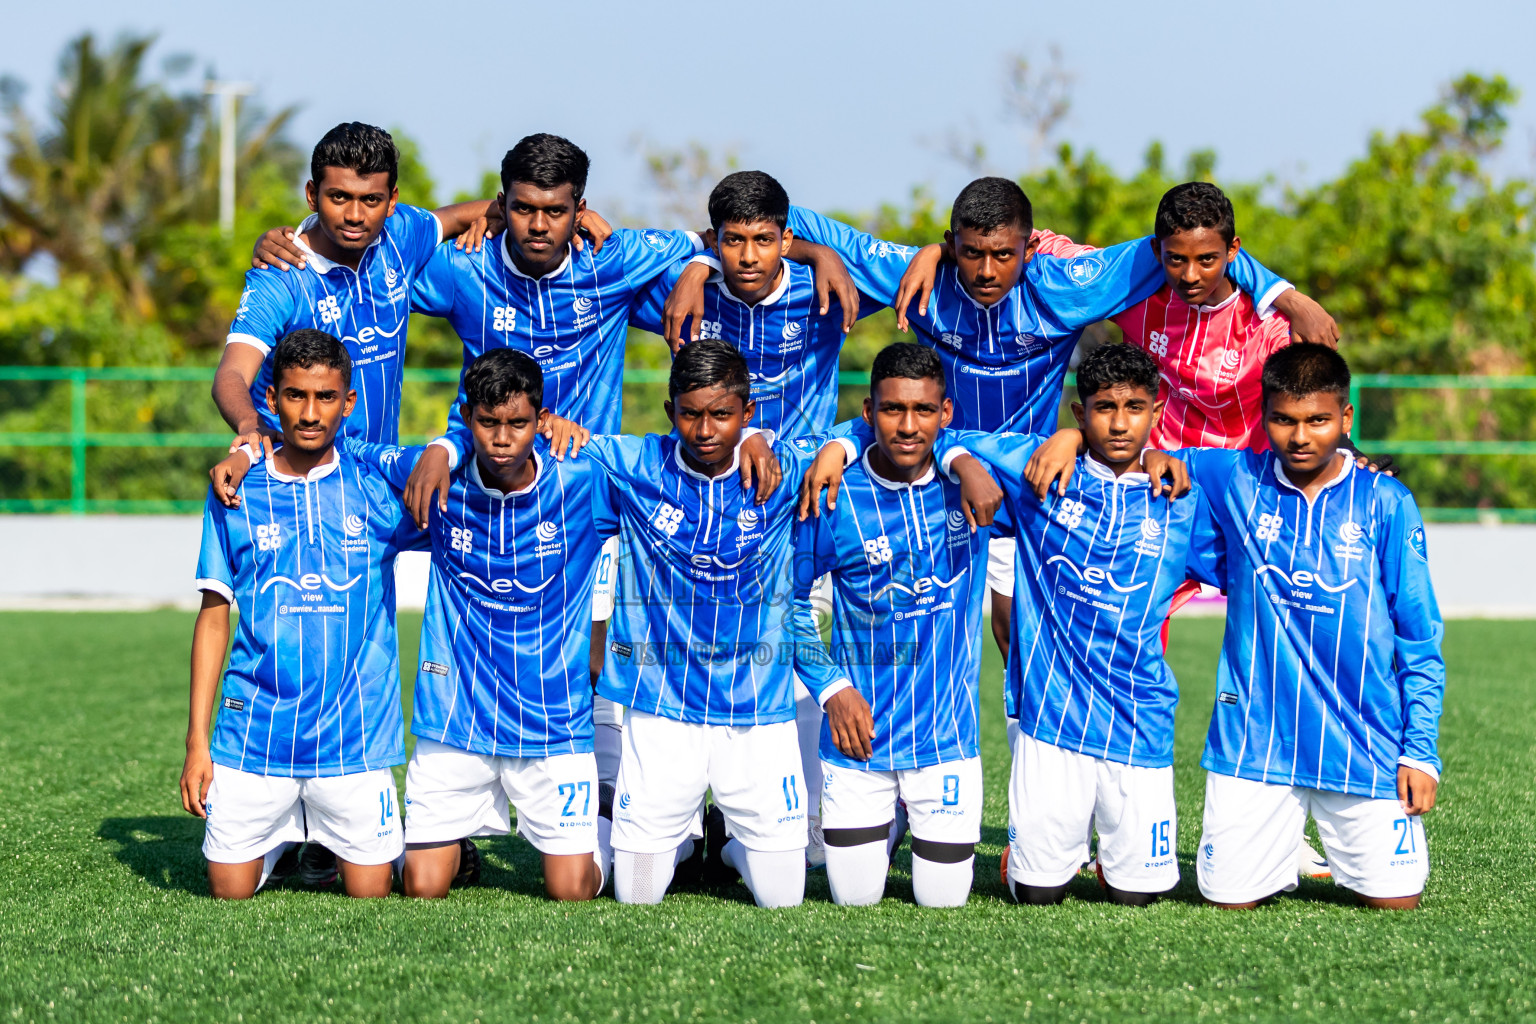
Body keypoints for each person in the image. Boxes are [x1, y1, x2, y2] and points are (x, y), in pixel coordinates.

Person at [722, 177, 1323, 664]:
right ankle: (897, 786)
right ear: (952, 244)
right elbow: (774, 217)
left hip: (1025, 481)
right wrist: (814, 253)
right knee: (905, 632)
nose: (986, 271)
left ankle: (1030, 795)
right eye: (972, 253)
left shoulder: (1067, 288)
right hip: (930, 483)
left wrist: (1286, 297)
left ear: (1030, 248)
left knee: (1022, 638)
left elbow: (1189, 249)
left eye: (1003, 254)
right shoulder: (919, 277)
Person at [1035, 343, 1445, 909]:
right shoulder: (1234, 475)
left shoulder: (1387, 501)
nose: (1300, 436)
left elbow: (1419, 637)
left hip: (1362, 741)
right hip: (1255, 742)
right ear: (1262, 417)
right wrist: (1075, 437)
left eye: (1318, 420)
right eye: (1283, 420)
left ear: (1346, 419)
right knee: (1228, 899)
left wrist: (1419, 753)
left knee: (1395, 903)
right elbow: (1134, 442)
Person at [629, 169, 882, 868]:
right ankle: (678, 823)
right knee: (686, 652)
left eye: (763, 241)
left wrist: (821, 256)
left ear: (786, 240)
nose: (746, 257)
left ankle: (782, 824)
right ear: (715, 241)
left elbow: (930, 272)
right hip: (701, 499)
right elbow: (597, 267)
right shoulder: (689, 287)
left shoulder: (827, 284)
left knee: (792, 655)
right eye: (730, 243)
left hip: (798, 502)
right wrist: (693, 265)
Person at [930, 344, 1200, 905]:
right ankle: (1029, 854)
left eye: (1134, 407)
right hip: (1052, 715)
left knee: (1137, 898)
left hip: (1138, 716)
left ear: (1157, 410)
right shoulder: (1041, 470)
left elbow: (1274, 468)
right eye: (1102, 408)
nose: (1120, 422)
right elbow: (943, 436)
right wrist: (1057, 443)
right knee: (1037, 894)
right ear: (1080, 413)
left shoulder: (1186, 488)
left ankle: (1111, 860)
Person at [181, 329, 424, 899]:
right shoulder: (237, 491)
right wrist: (197, 743)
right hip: (256, 735)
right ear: (271, 399)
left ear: (349, 402)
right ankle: (286, 838)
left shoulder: (376, 489)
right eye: (295, 396)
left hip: (355, 738)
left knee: (371, 893)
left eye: (324, 397)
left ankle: (336, 835)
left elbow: (478, 493)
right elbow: (214, 616)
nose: (310, 413)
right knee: (229, 891)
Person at [795, 343, 1002, 907]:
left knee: (943, 901)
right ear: (868, 413)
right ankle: (888, 820)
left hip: (946, 740)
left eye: (924, 411)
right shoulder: (832, 494)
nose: (908, 426)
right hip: (857, 742)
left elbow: (1079, 446)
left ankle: (911, 813)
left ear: (947, 415)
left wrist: (962, 461)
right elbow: (783, 607)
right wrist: (833, 690)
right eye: (892, 411)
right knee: (854, 899)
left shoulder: (978, 483)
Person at [214, 122, 500, 452]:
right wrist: (252, 425)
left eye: (371, 200)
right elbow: (232, 373)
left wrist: (560, 221)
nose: (355, 214)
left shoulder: (401, 234)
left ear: (391, 200)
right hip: (298, 480)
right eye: (339, 197)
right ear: (312, 195)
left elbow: (472, 214)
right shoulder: (281, 275)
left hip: (375, 478)